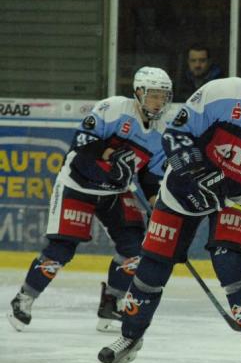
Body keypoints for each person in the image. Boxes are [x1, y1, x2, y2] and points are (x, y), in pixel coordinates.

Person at [96, 47, 241, 363]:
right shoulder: (220, 93)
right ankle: (130, 337)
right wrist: (199, 173)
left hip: (234, 196)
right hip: (183, 188)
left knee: (231, 264)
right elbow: (176, 136)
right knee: (153, 264)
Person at [7, 67, 173, 333]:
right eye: (154, 95)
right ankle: (24, 298)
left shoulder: (161, 132)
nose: (159, 102)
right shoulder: (114, 108)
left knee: (135, 249)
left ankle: (111, 303)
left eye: (163, 96)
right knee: (62, 248)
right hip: (78, 184)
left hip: (114, 192)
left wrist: (156, 204)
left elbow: (150, 177)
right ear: (138, 92)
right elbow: (82, 142)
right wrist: (111, 154)